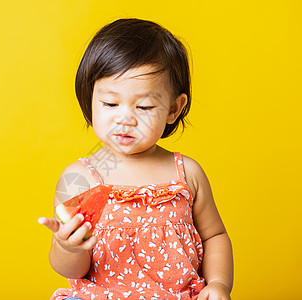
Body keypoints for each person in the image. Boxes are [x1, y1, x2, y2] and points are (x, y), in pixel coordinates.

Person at [38, 18, 233, 300]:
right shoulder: (79, 177)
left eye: (144, 106)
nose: (125, 119)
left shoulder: (187, 173)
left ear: (173, 109)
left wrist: (217, 284)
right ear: (90, 98)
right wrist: (69, 248)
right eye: (110, 103)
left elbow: (214, 236)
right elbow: (71, 271)